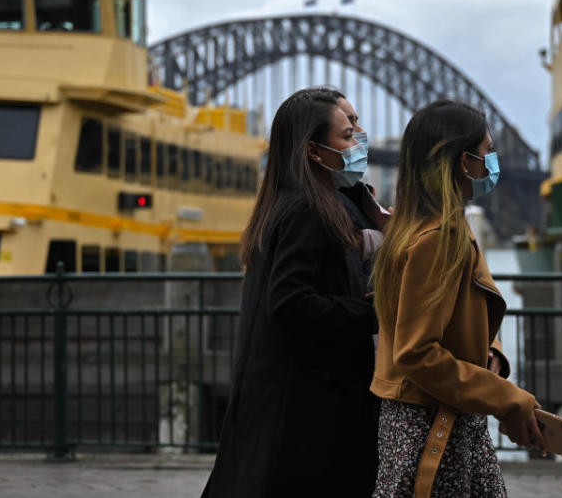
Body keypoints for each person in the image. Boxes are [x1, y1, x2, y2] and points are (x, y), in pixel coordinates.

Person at [203, 87, 379, 498]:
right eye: (348, 133)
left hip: (288, 403)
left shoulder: (294, 203)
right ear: (313, 151)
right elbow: (290, 303)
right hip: (312, 410)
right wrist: (372, 313)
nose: (360, 139)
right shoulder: (308, 210)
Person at [370, 99, 544, 498]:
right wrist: (507, 398)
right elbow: (416, 352)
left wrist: (491, 354)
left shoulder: (428, 228)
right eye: (487, 151)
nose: (493, 162)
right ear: (463, 162)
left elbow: (457, 320)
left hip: (443, 415)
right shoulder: (437, 239)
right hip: (432, 424)